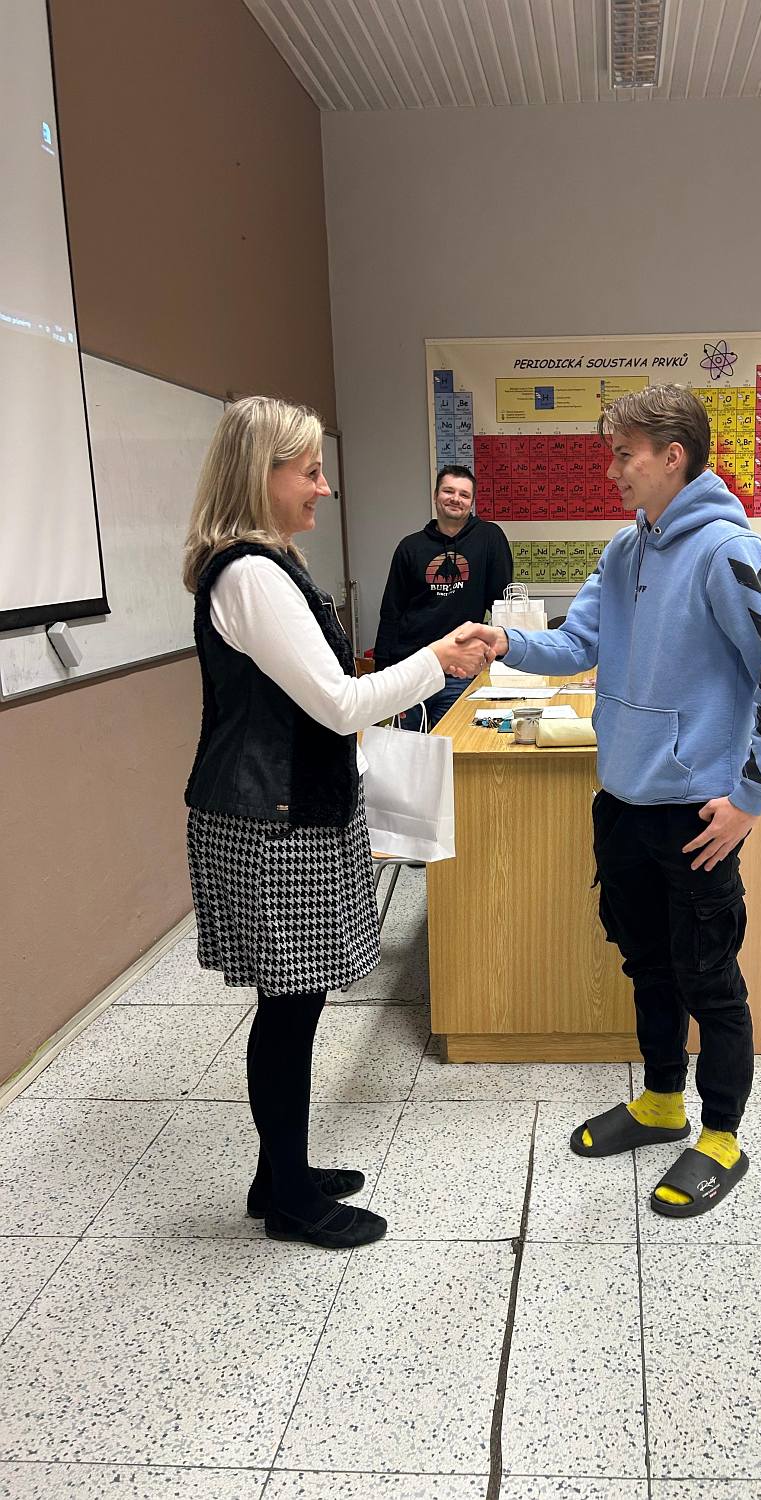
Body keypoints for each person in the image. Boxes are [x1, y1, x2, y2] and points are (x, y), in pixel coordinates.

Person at [458, 384, 761, 1219]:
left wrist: (748, 800)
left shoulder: (727, 551)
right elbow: (579, 642)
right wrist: (505, 641)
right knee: (646, 965)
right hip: (622, 803)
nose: (611, 470)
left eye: (623, 454)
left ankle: (719, 1136)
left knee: (708, 979)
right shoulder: (625, 548)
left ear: (671, 456)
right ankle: (660, 1103)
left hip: (695, 815)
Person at [182, 397, 488, 1250]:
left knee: (297, 1002)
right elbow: (340, 703)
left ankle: (279, 1171)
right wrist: (437, 661)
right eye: (310, 471)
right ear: (262, 475)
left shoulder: (270, 564)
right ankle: (288, 1202)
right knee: (289, 1008)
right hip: (269, 822)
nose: (324, 487)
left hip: (290, 807)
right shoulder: (249, 575)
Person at [374, 465, 513, 728]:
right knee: (407, 746)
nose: (455, 499)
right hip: (411, 667)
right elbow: (391, 611)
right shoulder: (410, 547)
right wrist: (383, 672)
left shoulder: (489, 538)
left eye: (464, 494)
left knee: (453, 745)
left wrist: (503, 660)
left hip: (459, 670)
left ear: (471, 502)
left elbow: (502, 604)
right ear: (436, 495)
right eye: (449, 491)